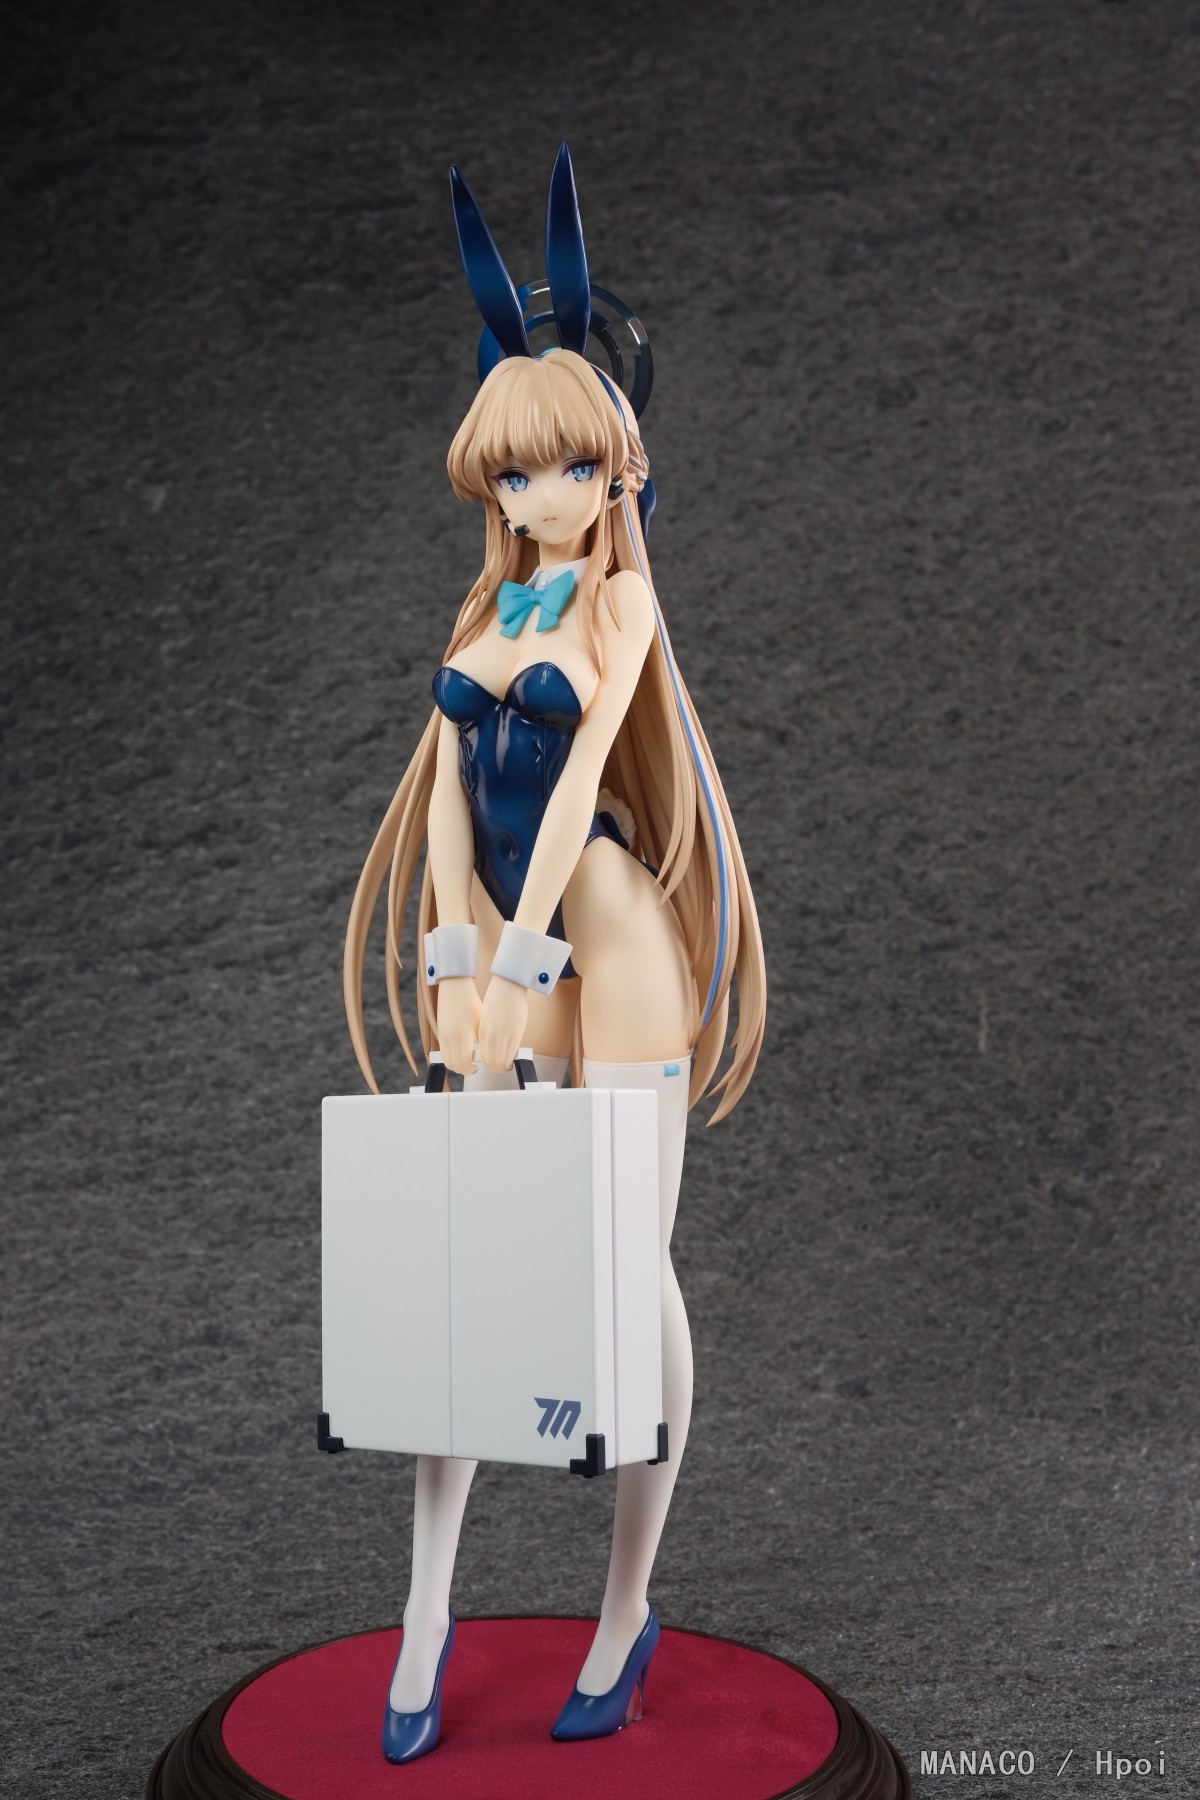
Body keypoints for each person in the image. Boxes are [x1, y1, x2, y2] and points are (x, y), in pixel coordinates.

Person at [342, 146, 766, 1762]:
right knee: (467, 1255)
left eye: (572, 468)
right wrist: (455, 948)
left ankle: (624, 1600)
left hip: (606, 929)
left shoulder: (619, 615)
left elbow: (585, 779)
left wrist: (523, 954)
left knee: (623, 1262)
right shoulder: (481, 620)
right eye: (516, 478)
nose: (542, 499)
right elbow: (451, 795)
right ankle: (426, 1606)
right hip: (498, 933)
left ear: (617, 468)